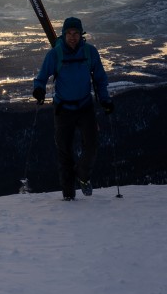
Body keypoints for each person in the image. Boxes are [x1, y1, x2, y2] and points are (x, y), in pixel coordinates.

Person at [32, 17, 113, 201]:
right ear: (64, 34)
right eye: (69, 33)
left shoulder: (90, 52)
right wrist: (38, 89)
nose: (72, 37)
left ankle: (82, 175)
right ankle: (68, 196)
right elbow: (42, 76)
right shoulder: (56, 54)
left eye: (76, 33)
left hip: (85, 107)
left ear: (81, 34)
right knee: (65, 153)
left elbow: (100, 79)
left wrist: (105, 100)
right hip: (63, 109)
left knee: (91, 146)